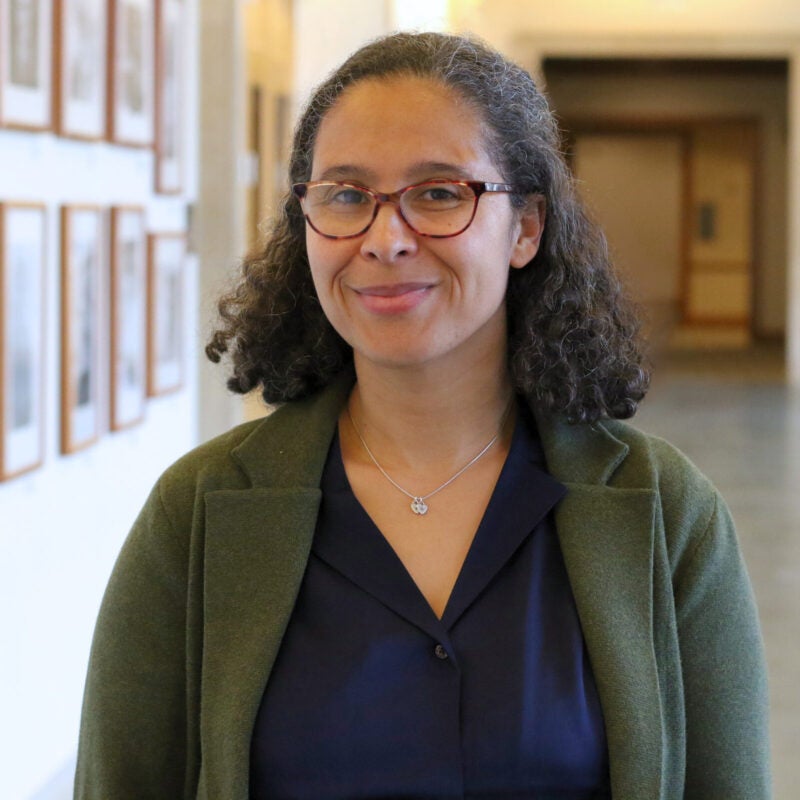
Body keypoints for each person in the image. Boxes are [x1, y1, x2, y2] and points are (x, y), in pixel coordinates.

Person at [74, 32, 770, 800]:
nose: (385, 239)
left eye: (439, 193)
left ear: (526, 228)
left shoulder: (665, 515)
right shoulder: (201, 512)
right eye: (345, 195)